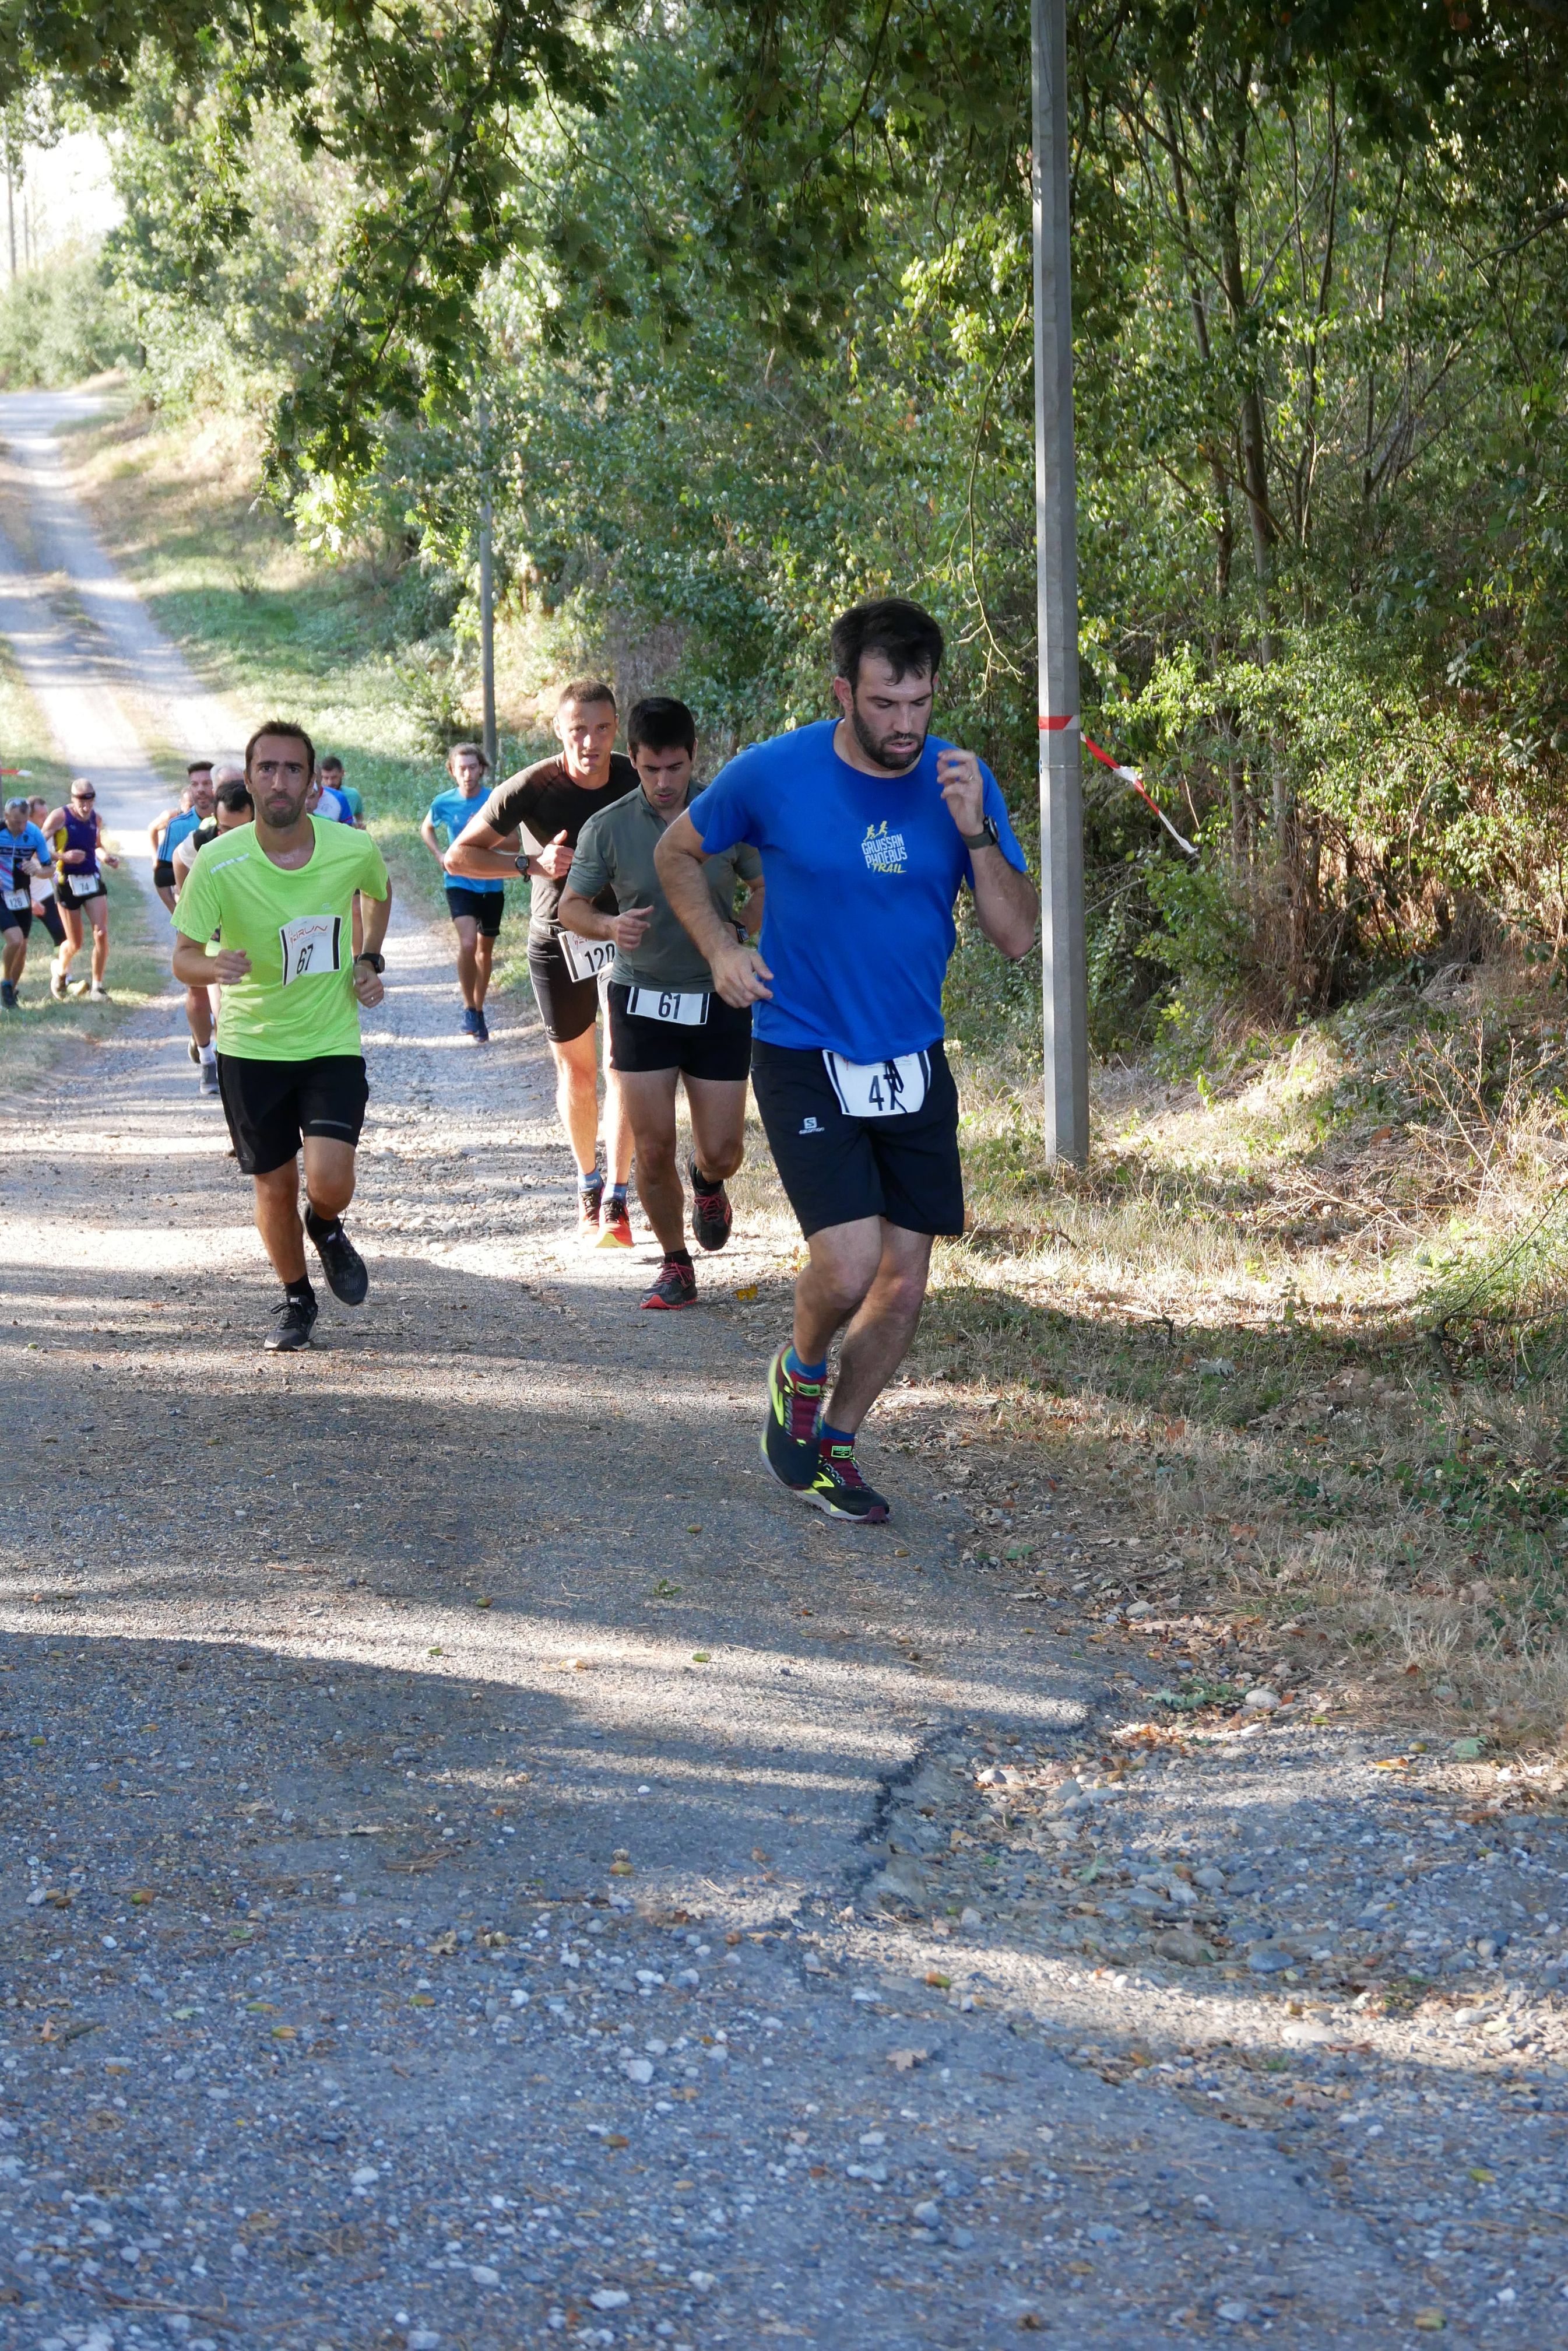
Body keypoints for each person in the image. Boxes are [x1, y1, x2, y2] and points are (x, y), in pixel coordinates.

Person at [656, 597, 1038, 1524]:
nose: (905, 725)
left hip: (911, 1058)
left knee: (905, 1284)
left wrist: (977, 830)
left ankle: (835, 1442)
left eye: (918, 702)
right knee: (849, 1267)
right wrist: (720, 951)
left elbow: (1017, 937)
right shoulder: (775, 773)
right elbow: (678, 853)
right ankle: (800, 1367)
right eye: (883, 704)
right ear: (843, 692)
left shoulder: (960, 782)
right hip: (803, 1048)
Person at [170, 720, 392, 1353]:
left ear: (313, 784)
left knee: (329, 1181)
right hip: (251, 1046)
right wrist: (212, 966)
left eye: (292, 769)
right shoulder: (216, 861)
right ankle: (297, 1299)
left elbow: (378, 893)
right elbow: (183, 956)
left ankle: (325, 1225)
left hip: (329, 1039)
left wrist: (370, 959)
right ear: (248, 778)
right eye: (266, 768)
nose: (278, 780)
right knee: (273, 1183)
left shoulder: (351, 848)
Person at [559, 697, 762, 1309]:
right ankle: (675, 1264)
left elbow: (762, 883)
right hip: (640, 995)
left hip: (717, 994)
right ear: (635, 761)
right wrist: (608, 928)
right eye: (651, 770)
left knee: (722, 1149)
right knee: (650, 1147)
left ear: (692, 758)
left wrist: (743, 933)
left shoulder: (724, 813)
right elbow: (572, 906)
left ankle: (707, 1181)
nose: (664, 783)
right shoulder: (609, 825)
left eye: (675, 768)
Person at [446, 679, 638, 1245]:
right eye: (578, 729)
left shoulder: (635, 776)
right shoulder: (533, 785)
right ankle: (587, 1181)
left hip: (625, 936)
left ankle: (618, 1199)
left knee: (622, 1064)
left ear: (615, 729)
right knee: (577, 1073)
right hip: (558, 941)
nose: (591, 742)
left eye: (602, 728)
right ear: (560, 731)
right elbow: (462, 855)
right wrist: (531, 863)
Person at [171, 775, 255, 1094]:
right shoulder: (203, 837)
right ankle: (208, 1057)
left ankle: (226, 1059)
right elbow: (179, 861)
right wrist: (185, 899)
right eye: (224, 829)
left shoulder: (269, 838)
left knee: (225, 1006)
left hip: (241, 927)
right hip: (210, 925)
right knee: (197, 990)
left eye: (238, 830)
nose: (228, 837)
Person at [421, 742, 501, 1041]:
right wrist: (440, 856)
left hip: (492, 882)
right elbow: (426, 828)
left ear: (481, 768)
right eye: (461, 768)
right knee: (468, 944)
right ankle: (469, 1007)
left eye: (472, 767)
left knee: (485, 951)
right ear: (453, 772)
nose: (467, 774)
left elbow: (512, 841)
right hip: (459, 882)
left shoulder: (494, 800)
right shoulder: (444, 802)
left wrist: (486, 836)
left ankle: (479, 1010)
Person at [42, 777, 121, 1001]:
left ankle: (98, 987)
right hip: (66, 882)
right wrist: (63, 856)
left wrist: (107, 858)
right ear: (73, 799)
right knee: (75, 943)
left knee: (101, 932)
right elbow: (38, 847)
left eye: (90, 802)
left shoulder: (96, 818)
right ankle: (60, 970)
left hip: (91, 880)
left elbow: (96, 845)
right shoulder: (60, 817)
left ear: (94, 799)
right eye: (81, 803)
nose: (86, 807)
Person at [1, 795, 52, 1008]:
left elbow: (49, 869)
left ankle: (9, 996)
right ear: (6, 817)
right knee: (14, 939)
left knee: (22, 946)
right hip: (1, 893)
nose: (20, 827)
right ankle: (5, 982)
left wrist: (38, 870)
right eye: (15, 822)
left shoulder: (34, 834)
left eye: (24, 822)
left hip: (21, 895)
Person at [149, 763, 215, 910]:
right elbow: (161, 878)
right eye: (195, 784)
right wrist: (178, 915)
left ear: (216, 785)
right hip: (195, 912)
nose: (200, 790)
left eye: (206, 783)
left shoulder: (233, 818)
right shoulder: (177, 825)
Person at [26, 798, 65, 956]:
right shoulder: (20, 837)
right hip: (19, 894)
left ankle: (63, 973)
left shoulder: (47, 832)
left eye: (47, 814)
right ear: (29, 818)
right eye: (42, 816)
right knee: (19, 940)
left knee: (61, 933)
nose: (46, 818)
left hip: (44, 891)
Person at [318, 755, 365, 825]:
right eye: (326, 778)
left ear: (342, 773)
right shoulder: (315, 797)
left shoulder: (353, 795)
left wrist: (358, 827)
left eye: (334, 777)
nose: (330, 782)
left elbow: (359, 816)